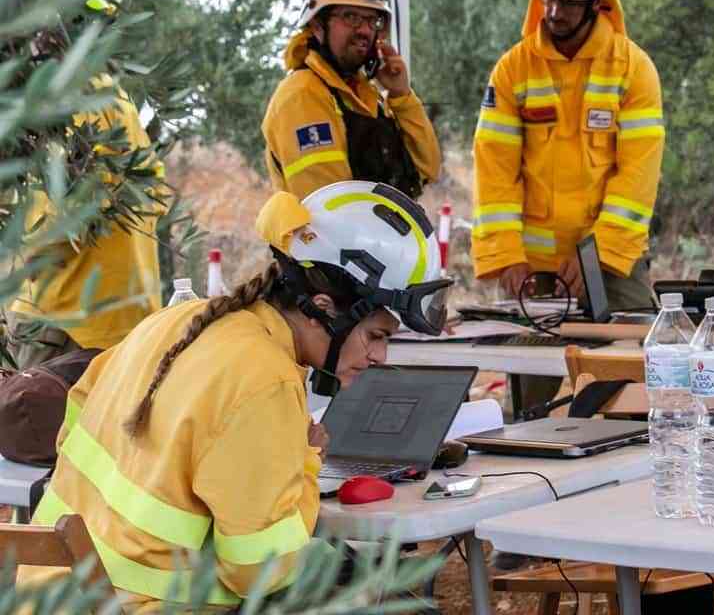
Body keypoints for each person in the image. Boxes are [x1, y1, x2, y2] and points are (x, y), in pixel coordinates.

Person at [16, 180, 452, 609]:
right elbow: (261, 571)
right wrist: (303, 461)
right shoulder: (266, 378)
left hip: (49, 594)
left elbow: (75, 417)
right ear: (324, 308)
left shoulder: (178, 320)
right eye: (375, 335)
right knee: (363, 586)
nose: (379, 355)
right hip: (145, 603)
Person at [472, 0, 665, 307]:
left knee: (630, 361)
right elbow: (495, 172)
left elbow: (637, 178)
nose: (554, 10)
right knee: (528, 365)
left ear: (598, 0)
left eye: (568, 1)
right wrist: (507, 256)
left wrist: (599, 251)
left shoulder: (633, 69)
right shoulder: (512, 70)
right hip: (530, 267)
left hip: (613, 262)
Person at [5, 0, 167, 368]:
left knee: (39, 424)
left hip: (66, 323)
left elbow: (67, 215)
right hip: (117, 317)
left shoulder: (72, 102)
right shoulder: (113, 98)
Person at [262, 0, 440, 201]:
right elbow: (333, 206)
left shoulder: (364, 95)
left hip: (381, 237)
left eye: (372, 21)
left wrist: (401, 96)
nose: (365, 30)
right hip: (342, 238)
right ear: (317, 26)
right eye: (351, 17)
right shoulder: (303, 94)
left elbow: (428, 169)